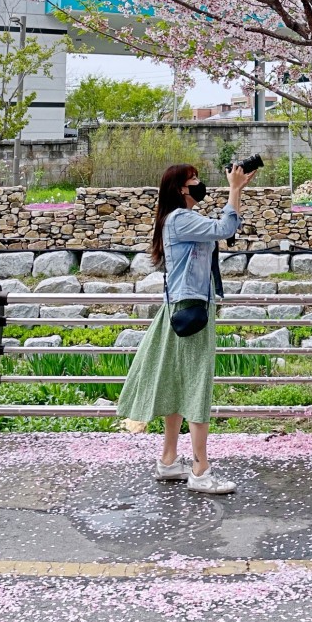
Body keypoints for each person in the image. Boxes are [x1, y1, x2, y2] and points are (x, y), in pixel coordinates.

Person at [117, 160, 254, 495]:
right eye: (193, 180)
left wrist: (236, 192)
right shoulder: (180, 218)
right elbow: (225, 229)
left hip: (182, 307)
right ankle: (200, 470)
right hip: (191, 310)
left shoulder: (182, 220)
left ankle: (168, 461)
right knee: (196, 386)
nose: (198, 184)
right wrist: (235, 189)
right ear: (180, 188)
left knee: (180, 384)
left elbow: (220, 230)